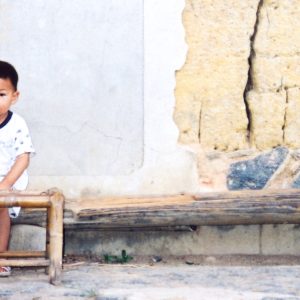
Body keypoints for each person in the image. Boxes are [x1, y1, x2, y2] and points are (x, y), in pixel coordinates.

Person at [0, 61, 35, 276]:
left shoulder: (17, 124)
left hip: (9, 179)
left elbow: (23, 158)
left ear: (15, 96)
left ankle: (1, 256)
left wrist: (5, 184)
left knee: (0, 207)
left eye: (1, 94)